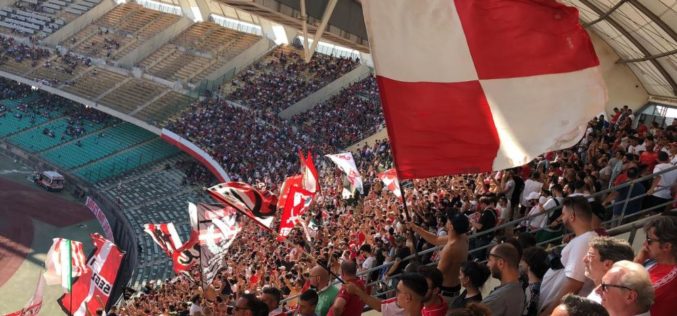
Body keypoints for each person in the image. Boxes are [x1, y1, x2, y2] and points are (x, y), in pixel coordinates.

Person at [539, 197, 598, 315]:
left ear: (572, 216)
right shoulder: (585, 238)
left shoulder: (583, 241)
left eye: (563, 214)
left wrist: (549, 312)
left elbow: (574, 284)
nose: (562, 218)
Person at [409, 209, 469, 300]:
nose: (447, 219)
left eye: (449, 219)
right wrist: (415, 228)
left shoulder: (450, 249)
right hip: (454, 288)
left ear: (451, 226)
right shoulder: (462, 237)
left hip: (446, 293)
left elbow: (437, 276)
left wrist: (421, 270)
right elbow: (436, 240)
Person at [633, 216, 677, 316]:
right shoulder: (652, 263)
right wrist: (638, 261)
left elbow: (625, 298)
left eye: (649, 240)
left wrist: (638, 261)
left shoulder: (672, 277)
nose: (644, 244)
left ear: (666, 246)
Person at [583, 237, 635, 303]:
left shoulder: (613, 301)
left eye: (590, 256)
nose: (584, 259)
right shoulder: (596, 294)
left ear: (607, 264)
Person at [482, 243, 525, 316]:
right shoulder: (522, 286)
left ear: (500, 263)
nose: (487, 264)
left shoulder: (497, 299)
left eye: (489, 260)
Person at [520, 247, 549, 316]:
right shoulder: (543, 284)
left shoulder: (533, 291)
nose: (520, 263)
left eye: (522, 260)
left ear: (529, 264)